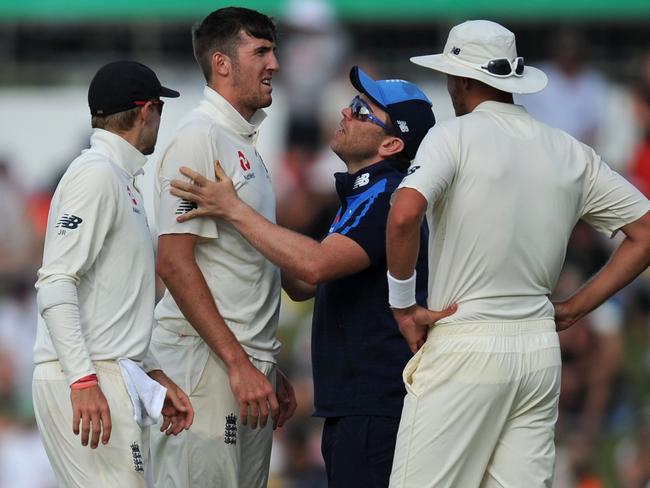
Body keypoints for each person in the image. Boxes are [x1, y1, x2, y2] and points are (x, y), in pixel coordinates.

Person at [384, 20, 650, 488]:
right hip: (538, 351)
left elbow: (404, 215)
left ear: (462, 79)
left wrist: (403, 305)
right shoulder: (569, 150)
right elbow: (645, 232)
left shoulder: (453, 136)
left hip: (465, 346)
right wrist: (575, 308)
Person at [167, 66, 455, 487]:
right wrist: (244, 228)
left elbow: (314, 266)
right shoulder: (363, 194)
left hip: (377, 406)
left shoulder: (386, 197)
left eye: (361, 109)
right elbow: (303, 285)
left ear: (392, 143)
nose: (345, 110)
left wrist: (236, 210)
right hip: (357, 404)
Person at [150, 7, 296, 488]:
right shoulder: (199, 138)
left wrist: (264, 365)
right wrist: (239, 362)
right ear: (223, 63)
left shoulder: (243, 143)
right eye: (261, 51)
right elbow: (173, 262)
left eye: (273, 50)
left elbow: (242, 266)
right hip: (206, 365)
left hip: (242, 367)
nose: (275, 63)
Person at [32, 60, 194, 488]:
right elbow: (55, 283)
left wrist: (152, 373)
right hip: (86, 376)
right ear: (147, 110)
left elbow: (116, 301)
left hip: (104, 372)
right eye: (160, 109)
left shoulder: (118, 177)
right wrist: (82, 380)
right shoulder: (97, 176)